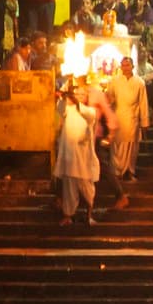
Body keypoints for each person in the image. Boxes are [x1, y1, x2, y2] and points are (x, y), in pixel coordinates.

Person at [53, 82, 100, 226]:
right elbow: (60, 108)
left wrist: (74, 99)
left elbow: (84, 112)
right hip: (69, 155)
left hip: (83, 158)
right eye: (77, 94)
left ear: (86, 97)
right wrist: (63, 96)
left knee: (87, 188)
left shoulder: (90, 111)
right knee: (68, 188)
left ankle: (89, 215)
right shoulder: (69, 109)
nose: (79, 96)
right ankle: (68, 215)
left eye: (82, 94)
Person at [108, 57, 149, 182]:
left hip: (132, 118)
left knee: (131, 147)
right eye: (123, 65)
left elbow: (143, 103)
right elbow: (110, 98)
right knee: (117, 146)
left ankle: (129, 171)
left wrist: (145, 122)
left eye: (127, 65)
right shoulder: (114, 81)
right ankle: (117, 171)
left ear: (132, 66)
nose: (125, 68)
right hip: (118, 117)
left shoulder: (139, 82)